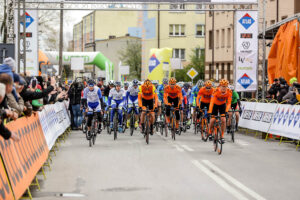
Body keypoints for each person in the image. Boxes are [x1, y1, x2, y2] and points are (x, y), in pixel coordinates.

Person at [208, 79, 232, 144]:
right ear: (220, 86)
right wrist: (210, 111)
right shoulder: (215, 91)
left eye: (225, 86)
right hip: (215, 105)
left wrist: (226, 111)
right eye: (222, 86)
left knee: (223, 120)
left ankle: (222, 136)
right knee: (212, 119)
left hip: (222, 105)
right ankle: (210, 132)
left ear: (227, 86)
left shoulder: (229, 92)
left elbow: (229, 103)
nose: (224, 88)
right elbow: (212, 102)